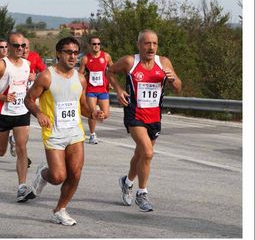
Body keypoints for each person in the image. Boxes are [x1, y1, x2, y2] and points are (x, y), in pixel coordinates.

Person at [24, 37, 105, 225]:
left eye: (76, 53)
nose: (73, 56)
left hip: (75, 133)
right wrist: (38, 113)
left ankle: (60, 209)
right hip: (54, 133)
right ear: (59, 53)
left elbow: (83, 107)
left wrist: (94, 113)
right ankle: (44, 173)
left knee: (75, 173)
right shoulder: (46, 76)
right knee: (58, 176)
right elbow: (29, 99)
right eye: (68, 52)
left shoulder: (81, 78)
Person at [107, 29, 182, 212]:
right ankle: (142, 194)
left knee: (140, 154)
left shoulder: (163, 62)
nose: (151, 47)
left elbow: (179, 87)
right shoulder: (130, 62)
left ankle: (127, 181)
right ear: (139, 45)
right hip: (135, 115)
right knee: (148, 153)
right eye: (147, 43)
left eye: (154, 43)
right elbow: (109, 72)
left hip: (155, 117)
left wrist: (173, 80)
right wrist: (118, 90)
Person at [0, 33, 33, 202]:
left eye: (23, 46)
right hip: (2, 112)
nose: (20, 48)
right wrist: (3, 97)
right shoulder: (1, 64)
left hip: (21, 112)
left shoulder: (27, 65)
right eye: (16, 46)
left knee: (21, 148)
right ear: (10, 47)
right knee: (1, 150)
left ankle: (22, 187)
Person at [7, 37, 47, 158]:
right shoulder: (13, 58)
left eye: (26, 47)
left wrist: (36, 76)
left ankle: (19, 148)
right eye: (22, 46)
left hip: (30, 96)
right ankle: (16, 142)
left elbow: (45, 71)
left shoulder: (34, 56)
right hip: (15, 96)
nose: (24, 50)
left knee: (26, 128)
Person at [78, 36, 113, 144]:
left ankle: (99, 116)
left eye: (98, 44)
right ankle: (92, 135)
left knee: (105, 114)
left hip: (103, 89)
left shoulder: (106, 56)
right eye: (94, 44)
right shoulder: (85, 58)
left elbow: (113, 70)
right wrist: (80, 85)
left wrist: (111, 82)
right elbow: (80, 74)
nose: (96, 46)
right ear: (90, 45)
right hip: (91, 90)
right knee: (93, 113)